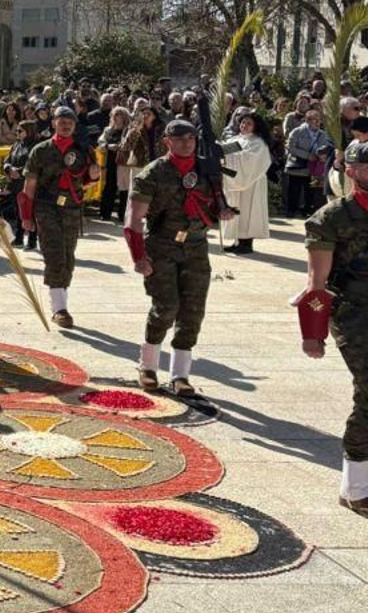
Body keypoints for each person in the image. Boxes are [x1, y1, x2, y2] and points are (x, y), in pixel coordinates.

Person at [124, 118, 232, 397]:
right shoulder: (154, 173)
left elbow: (216, 200)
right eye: (180, 138)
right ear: (167, 142)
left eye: (191, 139)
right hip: (161, 246)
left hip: (196, 246)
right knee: (166, 307)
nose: (187, 143)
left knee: (193, 311)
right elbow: (133, 220)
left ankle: (180, 374)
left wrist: (222, 209)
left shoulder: (206, 169)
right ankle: (147, 366)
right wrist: (139, 257)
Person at [298, 139, 368, 516]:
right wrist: (314, 333)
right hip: (354, 311)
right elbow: (316, 282)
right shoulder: (331, 218)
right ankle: (355, 487)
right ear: (352, 171)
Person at [20, 105, 98, 328]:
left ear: (74, 125)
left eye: (70, 122)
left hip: (72, 206)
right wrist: (27, 216)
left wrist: (93, 177)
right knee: (54, 253)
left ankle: (59, 298)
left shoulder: (83, 150)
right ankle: (59, 308)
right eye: (61, 120)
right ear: (53, 123)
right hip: (46, 206)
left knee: (67, 254)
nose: (65, 124)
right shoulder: (41, 150)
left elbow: (88, 180)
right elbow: (30, 185)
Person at [220, 110, 272, 254]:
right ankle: (237, 241)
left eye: (249, 123)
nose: (244, 125)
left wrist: (231, 157)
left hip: (252, 182)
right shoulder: (237, 139)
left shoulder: (258, 143)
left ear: (255, 126)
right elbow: (224, 151)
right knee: (236, 209)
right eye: (243, 122)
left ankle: (246, 243)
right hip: (236, 181)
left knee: (248, 211)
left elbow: (248, 161)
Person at [285, 108, 332, 217]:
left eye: (318, 120)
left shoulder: (322, 134)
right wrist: (307, 156)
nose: (317, 122)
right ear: (307, 120)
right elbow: (290, 147)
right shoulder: (297, 131)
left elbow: (326, 147)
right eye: (314, 120)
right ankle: (291, 210)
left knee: (310, 190)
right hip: (298, 166)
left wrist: (322, 155)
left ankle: (307, 210)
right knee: (294, 190)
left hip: (314, 167)